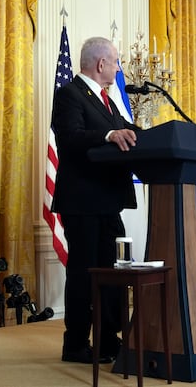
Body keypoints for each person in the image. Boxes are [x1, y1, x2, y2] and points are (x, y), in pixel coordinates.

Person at [51, 36, 140, 363]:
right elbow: (71, 137)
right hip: (82, 200)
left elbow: (126, 129)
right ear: (101, 64)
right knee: (84, 273)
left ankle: (107, 340)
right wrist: (108, 135)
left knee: (113, 272)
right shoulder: (70, 94)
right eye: (116, 62)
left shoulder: (107, 101)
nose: (118, 68)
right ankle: (75, 344)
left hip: (107, 200)